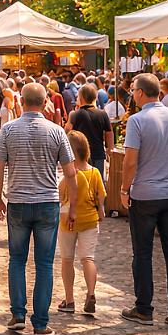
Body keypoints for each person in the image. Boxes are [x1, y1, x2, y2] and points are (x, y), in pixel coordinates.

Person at [0, 83, 77, 335]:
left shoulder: (8, 130)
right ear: (44, 102)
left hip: (17, 201)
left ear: (22, 101)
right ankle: (40, 323)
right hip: (47, 203)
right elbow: (71, 172)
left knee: (17, 260)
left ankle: (18, 314)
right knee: (44, 264)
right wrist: (71, 206)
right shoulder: (56, 131)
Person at [120, 73, 168, 329]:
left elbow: (130, 161)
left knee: (143, 252)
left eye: (132, 92)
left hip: (145, 194)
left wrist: (124, 188)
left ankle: (144, 308)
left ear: (139, 92)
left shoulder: (137, 121)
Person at [56, 131, 104, 317]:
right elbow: (101, 195)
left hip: (68, 220)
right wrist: (100, 209)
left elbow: (60, 196)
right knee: (88, 258)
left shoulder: (70, 175)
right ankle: (91, 293)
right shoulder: (94, 172)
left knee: (67, 259)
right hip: (90, 220)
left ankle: (69, 300)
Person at [67, 84, 114, 177]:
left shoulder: (75, 114)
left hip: (80, 154)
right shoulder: (102, 113)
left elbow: (67, 131)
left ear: (81, 98)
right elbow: (109, 133)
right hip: (99, 152)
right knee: (98, 178)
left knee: (82, 179)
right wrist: (110, 149)